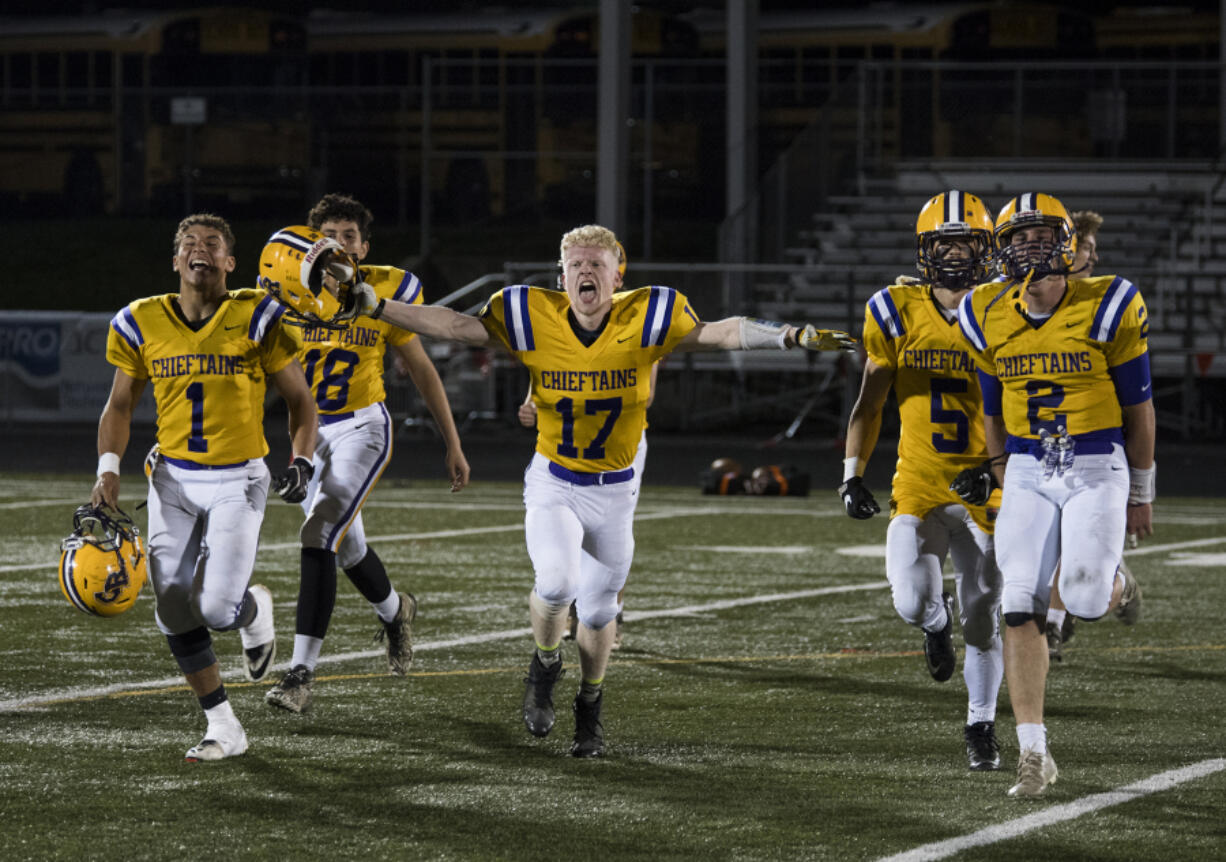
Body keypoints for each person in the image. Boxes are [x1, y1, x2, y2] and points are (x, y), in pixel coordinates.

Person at [342, 223, 856, 757]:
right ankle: (543, 664)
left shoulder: (651, 314)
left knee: (599, 610)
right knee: (557, 582)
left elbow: (720, 332)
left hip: (616, 488)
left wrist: (789, 335)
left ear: (618, 274)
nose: (585, 271)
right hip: (555, 480)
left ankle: (590, 704)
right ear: (560, 275)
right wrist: (377, 308)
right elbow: (452, 324)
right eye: (576, 264)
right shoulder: (529, 312)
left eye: (596, 263)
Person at [92, 213, 318, 762]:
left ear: (229, 262)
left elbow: (301, 402)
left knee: (216, 609)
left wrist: (304, 461)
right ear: (175, 261)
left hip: (238, 476)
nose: (201, 250)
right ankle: (223, 723)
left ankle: (250, 611)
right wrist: (107, 469)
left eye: (212, 244)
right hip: (170, 476)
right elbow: (119, 405)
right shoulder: (140, 320)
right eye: (189, 243)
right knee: (171, 604)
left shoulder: (258, 315)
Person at [955, 192, 1154, 798]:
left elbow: (1139, 410)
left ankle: (1117, 582)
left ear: (1068, 246)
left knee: (1087, 598)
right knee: (1017, 604)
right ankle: (1034, 754)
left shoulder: (1109, 302)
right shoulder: (984, 310)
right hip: (1026, 468)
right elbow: (991, 405)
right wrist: (997, 466)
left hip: (1096, 465)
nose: (1029, 250)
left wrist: (1141, 492)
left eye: (1042, 238)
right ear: (1001, 249)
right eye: (1018, 239)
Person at [264, 195, 471, 715]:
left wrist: (452, 440)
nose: (340, 244)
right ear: (310, 246)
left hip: (361, 426)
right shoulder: (289, 292)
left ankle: (300, 674)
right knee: (347, 546)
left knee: (319, 533)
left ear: (364, 245)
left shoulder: (386, 289)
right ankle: (396, 611)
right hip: (310, 431)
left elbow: (421, 367)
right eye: (329, 235)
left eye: (350, 236)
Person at [839, 190, 1005, 771]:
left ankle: (980, 724)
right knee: (912, 602)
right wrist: (851, 473)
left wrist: (1001, 469)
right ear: (925, 251)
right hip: (920, 479)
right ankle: (936, 624)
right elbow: (869, 401)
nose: (956, 256)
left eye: (965, 244)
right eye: (945, 244)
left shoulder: (1003, 307)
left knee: (985, 618)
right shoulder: (894, 308)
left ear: (985, 249)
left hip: (989, 487)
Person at [1043, 208, 1141, 662]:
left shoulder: (1104, 303)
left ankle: (1065, 618)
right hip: (1038, 441)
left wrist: (1141, 487)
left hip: (1094, 443)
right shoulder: (1032, 299)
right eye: (1087, 247)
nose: (1094, 257)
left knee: (1071, 545)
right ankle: (1055, 623)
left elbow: (1137, 397)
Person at [521, 362, 657, 651]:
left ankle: (613, 612)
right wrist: (531, 401)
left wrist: (592, 384)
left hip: (620, 446)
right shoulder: (572, 326)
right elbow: (545, 361)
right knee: (566, 529)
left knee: (613, 530)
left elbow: (647, 394)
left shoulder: (638, 330)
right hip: (569, 445)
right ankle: (571, 605)